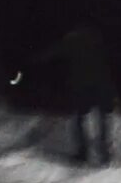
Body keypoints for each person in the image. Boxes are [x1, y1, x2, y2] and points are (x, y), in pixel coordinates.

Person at [50, 23, 116, 166]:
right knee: (102, 117)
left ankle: (83, 153)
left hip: (83, 86)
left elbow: (53, 53)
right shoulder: (98, 42)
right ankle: (104, 151)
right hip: (102, 85)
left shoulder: (72, 42)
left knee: (80, 119)